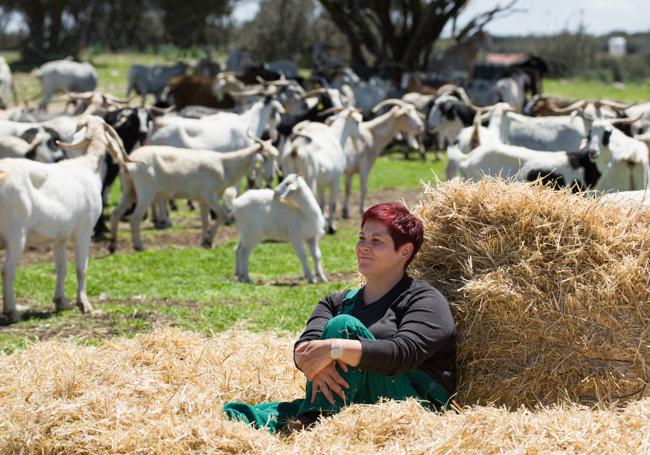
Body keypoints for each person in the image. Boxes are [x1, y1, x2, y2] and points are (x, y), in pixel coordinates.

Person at [224, 203, 457, 432]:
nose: (363, 247)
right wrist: (309, 358)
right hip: (354, 400)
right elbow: (305, 348)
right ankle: (317, 417)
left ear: (404, 251)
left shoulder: (425, 300)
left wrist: (335, 349)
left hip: (411, 407)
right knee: (246, 415)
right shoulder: (335, 302)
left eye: (376, 241)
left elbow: (401, 355)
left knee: (343, 326)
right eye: (362, 238)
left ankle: (316, 422)